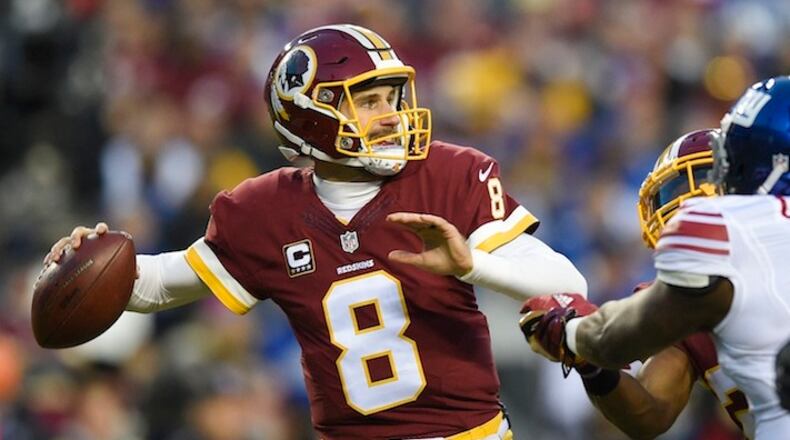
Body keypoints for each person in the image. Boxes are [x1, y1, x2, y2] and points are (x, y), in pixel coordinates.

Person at [43, 24, 587, 440]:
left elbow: (569, 284)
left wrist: (472, 264)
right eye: (369, 101)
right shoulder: (263, 212)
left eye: (392, 98)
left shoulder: (447, 176)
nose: (391, 115)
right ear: (312, 116)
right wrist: (86, 259)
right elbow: (159, 284)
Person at [521, 76, 790, 439]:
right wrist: (592, 367)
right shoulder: (708, 277)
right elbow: (649, 414)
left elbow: (617, 337)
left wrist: (574, 332)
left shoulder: (719, 233)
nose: (703, 196)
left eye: (726, 169)